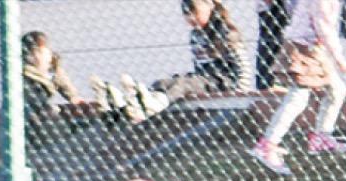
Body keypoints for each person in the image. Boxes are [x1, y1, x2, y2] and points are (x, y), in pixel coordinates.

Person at [92, 0, 251, 123]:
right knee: (168, 81)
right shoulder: (195, 36)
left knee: (183, 84)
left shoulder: (226, 32)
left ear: (208, 7)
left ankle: (153, 105)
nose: (190, 18)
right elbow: (198, 66)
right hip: (203, 78)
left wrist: (240, 92)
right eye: (186, 14)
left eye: (194, 12)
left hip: (222, 81)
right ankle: (133, 101)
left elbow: (243, 66)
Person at [249, 0, 346, 176]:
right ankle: (268, 145)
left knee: (337, 89)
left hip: (311, 45)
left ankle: (321, 137)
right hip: (304, 47)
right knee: (298, 98)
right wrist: (338, 57)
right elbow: (323, 24)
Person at [21, 30, 82, 125]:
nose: (45, 57)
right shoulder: (25, 74)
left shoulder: (53, 69)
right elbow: (33, 99)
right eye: (37, 52)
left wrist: (73, 96)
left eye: (45, 52)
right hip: (32, 111)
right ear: (29, 57)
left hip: (46, 109)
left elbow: (64, 84)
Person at [255, 0, 291, 91]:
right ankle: (270, 84)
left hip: (286, 9)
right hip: (275, 9)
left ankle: (275, 83)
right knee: (271, 42)